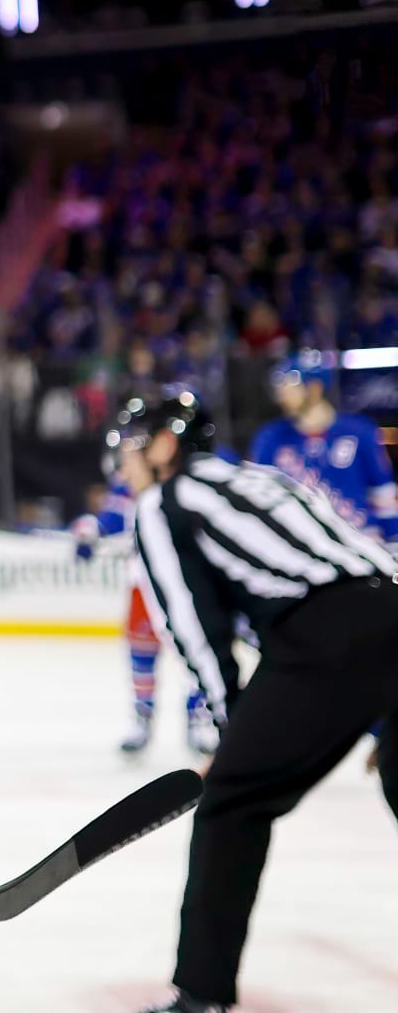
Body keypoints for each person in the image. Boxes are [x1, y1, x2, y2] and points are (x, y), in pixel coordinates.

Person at [111, 390, 398, 1013]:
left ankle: (199, 996)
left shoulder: (164, 502)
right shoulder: (261, 478)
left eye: (131, 449)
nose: (123, 467)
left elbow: (193, 628)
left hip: (328, 637)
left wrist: (232, 733)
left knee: (230, 808)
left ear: (165, 446)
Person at [69, 480, 212, 755]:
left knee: (195, 653)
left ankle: (199, 718)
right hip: (143, 586)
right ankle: (142, 719)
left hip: (187, 584)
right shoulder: (128, 486)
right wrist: (88, 529)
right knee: (142, 653)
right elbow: (109, 519)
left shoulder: (188, 480)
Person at [250, 349, 398, 541]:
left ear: (314, 387)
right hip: (303, 547)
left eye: (288, 386)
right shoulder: (270, 437)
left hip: (361, 544)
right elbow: (258, 496)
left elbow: (383, 495)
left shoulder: (360, 430)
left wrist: (394, 545)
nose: (281, 396)